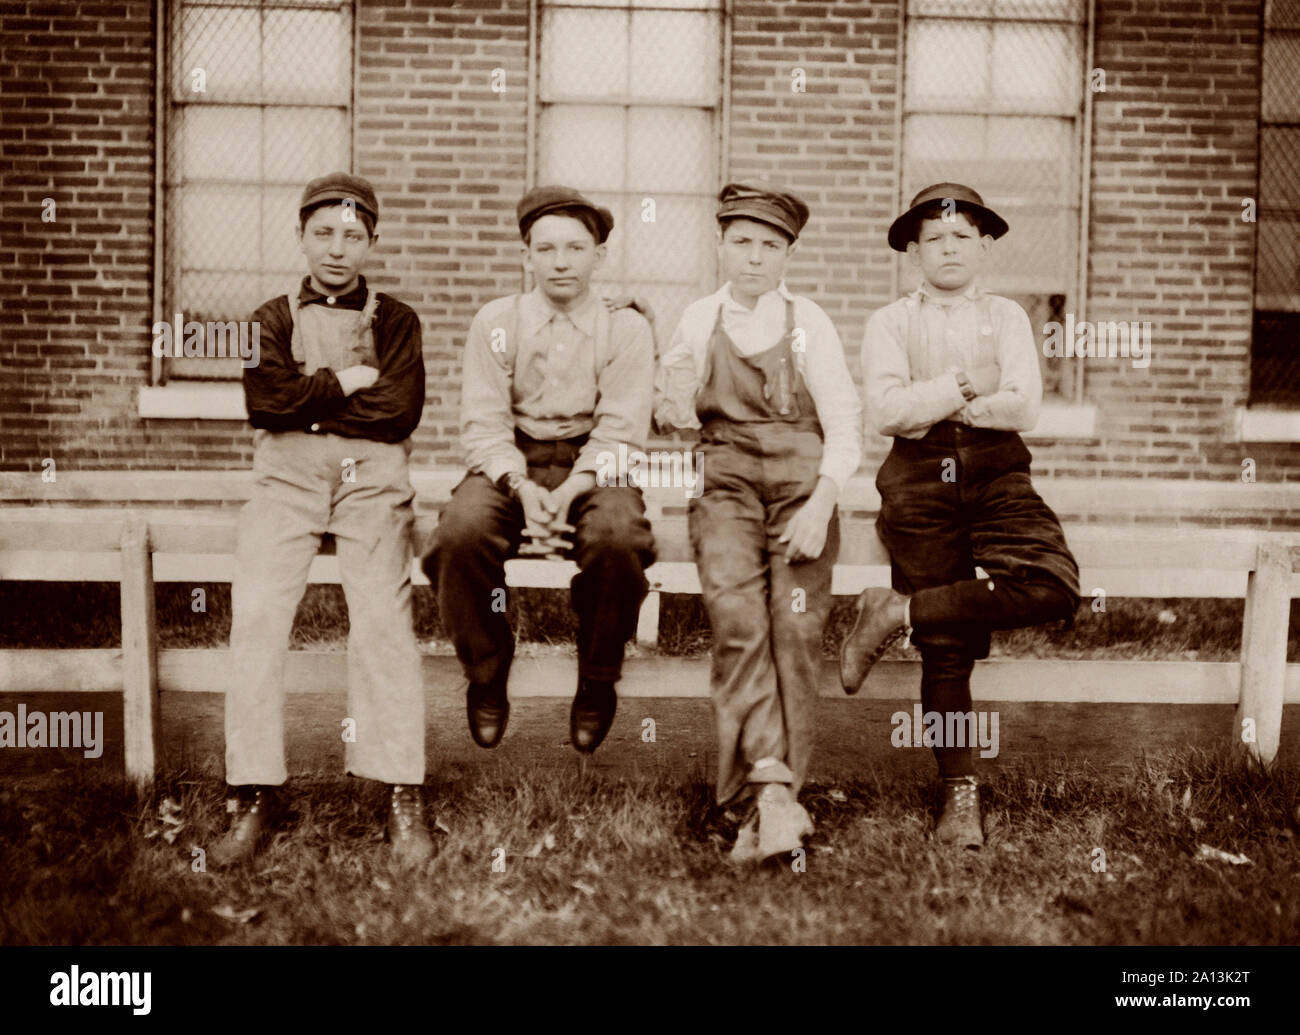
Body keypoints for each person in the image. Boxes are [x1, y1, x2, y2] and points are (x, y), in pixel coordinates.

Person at [844, 182, 1080, 849]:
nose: (949, 248)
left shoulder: (1007, 316)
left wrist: (946, 406)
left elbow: (1025, 405)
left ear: (984, 246)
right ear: (912, 251)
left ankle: (897, 610)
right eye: (935, 239)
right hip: (917, 479)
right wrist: (966, 387)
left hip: (998, 468)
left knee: (1052, 584)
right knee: (947, 648)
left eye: (962, 237)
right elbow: (887, 412)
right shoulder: (890, 322)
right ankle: (959, 794)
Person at [212, 173, 432, 868]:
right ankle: (252, 790)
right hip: (286, 474)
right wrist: (339, 384)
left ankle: (402, 789)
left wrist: (304, 400)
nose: (337, 249)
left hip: (372, 478)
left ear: (372, 240)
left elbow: (398, 411)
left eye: (353, 235)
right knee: (257, 614)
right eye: (324, 233)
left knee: (382, 622)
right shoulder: (268, 316)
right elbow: (264, 406)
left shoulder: (397, 320)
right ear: (302, 235)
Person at [657, 183, 862, 863]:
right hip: (725, 486)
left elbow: (846, 422)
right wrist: (672, 384)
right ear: (721, 244)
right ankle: (761, 798)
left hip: (803, 490)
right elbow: (679, 416)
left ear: (787, 254)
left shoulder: (811, 321)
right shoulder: (697, 318)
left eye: (769, 245)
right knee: (740, 624)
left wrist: (822, 503)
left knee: (797, 629)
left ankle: (773, 796)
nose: (753, 257)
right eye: (741, 242)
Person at [421, 186, 656, 755]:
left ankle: (597, 679)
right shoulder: (496, 321)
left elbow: (622, 428)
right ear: (526, 255)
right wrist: (521, 486)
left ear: (599, 256)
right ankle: (486, 671)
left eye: (576, 248)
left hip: (598, 460)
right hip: (511, 457)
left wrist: (576, 485)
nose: (560, 262)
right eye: (545, 248)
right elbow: (482, 422)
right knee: (459, 534)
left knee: (618, 540)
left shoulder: (625, 328)